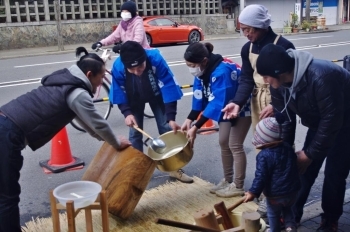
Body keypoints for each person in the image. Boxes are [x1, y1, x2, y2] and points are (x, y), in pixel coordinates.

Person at [0, 47, 131, 232]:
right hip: (6, 134)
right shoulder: (78, 93)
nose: (102, 82)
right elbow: (98, 124)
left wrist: (103, 139)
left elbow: (88, 123)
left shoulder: (67, 81)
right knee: (7, 196)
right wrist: (116, 142)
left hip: (4, 123)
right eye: (101, 77)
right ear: (89, 74)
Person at [256, 43, 350, 232]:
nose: (265, 81)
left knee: (334, 174)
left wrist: (309, 154)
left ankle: (330, 220)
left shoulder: (322, 76)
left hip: (345, 123)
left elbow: (331, 122)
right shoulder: (279, 85)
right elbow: (286, 117)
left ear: (279, 71)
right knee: (301, 169)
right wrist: (286, 152)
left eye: (266, 76)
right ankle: (292, 215)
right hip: (319, 123)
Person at [221, 3, 296, 219]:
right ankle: (266, 195)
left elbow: (292, 79)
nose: (246, 34)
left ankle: (284, 200)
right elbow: (246, 78)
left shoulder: (284, 44)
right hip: (257, 101)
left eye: (249, 29)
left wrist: (278, 103)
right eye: (242, 29)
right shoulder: (247, 49)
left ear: (261, 26)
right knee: (262, 149)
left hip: (280, 101)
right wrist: (237, 102)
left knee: (282, 150)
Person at [110, 40, 193, 183]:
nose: (137, 72)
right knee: (135, 134)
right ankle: (138, 170)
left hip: (157, 95)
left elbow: (168, 84)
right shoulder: (118, 67)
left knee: (166, 128)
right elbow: (118, 91)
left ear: (144, 59)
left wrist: (171, 117)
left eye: (140, 67)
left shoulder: (155, 58)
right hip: (133, 99)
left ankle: (173, 168)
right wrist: (127, 113)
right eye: (132, 70)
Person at [181, 42, 251, 196]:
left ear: (204, 61)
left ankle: (238, 185)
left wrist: (196, 126)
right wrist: (189, 119)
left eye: (192, 65)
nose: (191, 68)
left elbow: (218, 102)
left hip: (241, 106)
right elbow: (199, 96)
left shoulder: (222, 71)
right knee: (223, 142)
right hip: (226, 107)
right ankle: (228, 179)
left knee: (235, 144)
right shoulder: (201, 71)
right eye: (188, 65)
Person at [244, 117, 300, 232]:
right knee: (288, 210)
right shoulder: (288, 147)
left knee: (273, 215)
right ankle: (290, 228)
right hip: (292, 192)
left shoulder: (263, 155)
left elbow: (261, 176)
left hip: (275, 195)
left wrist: (252, 192)